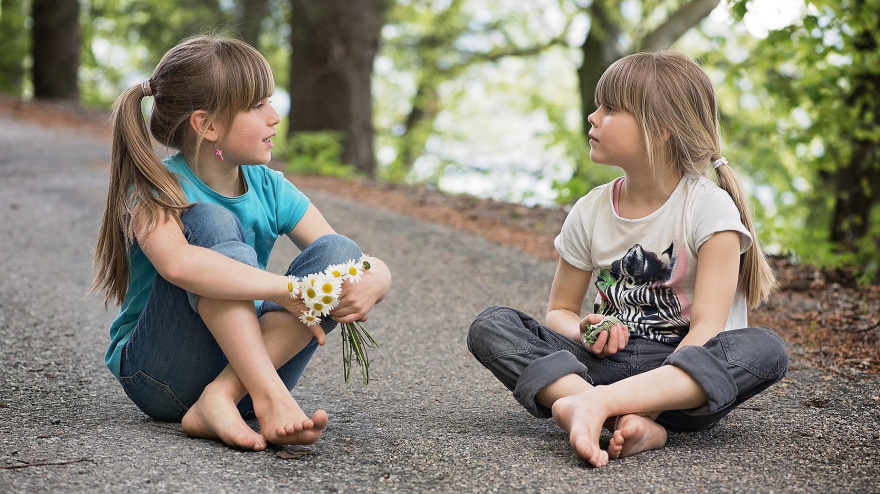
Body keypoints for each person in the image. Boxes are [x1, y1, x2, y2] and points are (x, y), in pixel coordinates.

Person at [467, 51, 788, 468]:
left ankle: (588, 407)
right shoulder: (591, 208)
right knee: (492, 325)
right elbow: (560, 310)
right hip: (600, 365)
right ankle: (599, 409)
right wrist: (586, 330)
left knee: (765, 349)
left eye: (611, 109)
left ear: (661, 130)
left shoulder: (709, 209)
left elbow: (707, 330)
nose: (593, 117)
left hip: (680, 385)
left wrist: (646, 406)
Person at [90, 36, 392, 451]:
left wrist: (378, 277)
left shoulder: (270, 187)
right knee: (211, 220)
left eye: (271, 101)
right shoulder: (155, 189)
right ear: (207, 125)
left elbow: (345, 256)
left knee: (339, 253)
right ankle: (266, 396)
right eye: (257, 106)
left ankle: (223, 397)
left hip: (249, 373)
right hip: (162, 375)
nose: (275, 117)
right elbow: (178, 266)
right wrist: (287, 290)